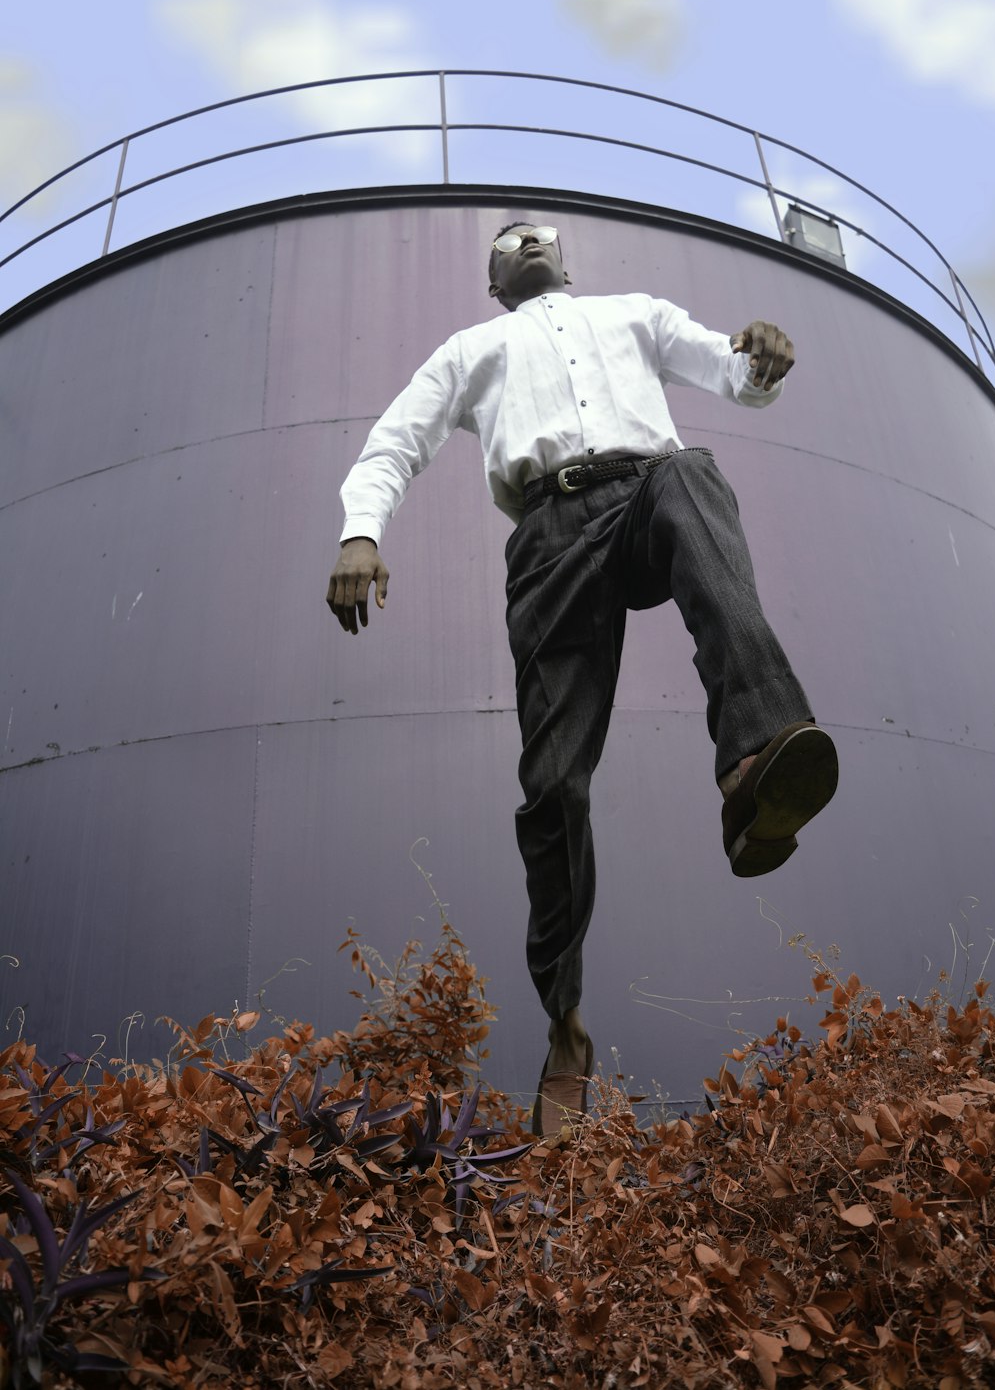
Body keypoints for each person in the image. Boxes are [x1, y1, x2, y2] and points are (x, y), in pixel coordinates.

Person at [327, 221, 838, 1137]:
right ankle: (564, 1022)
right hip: (550, 539)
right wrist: (361, 530)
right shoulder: (473, 350)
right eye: (507, 242)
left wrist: (758, 361)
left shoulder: (635, 315)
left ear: (567, 263)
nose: (525, 241)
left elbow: (727, 369)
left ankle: (754, 761)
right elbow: (396, 440)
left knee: (691, 471)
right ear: (495, 283)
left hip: (646, 498)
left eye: (540, 236)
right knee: (554, 784)